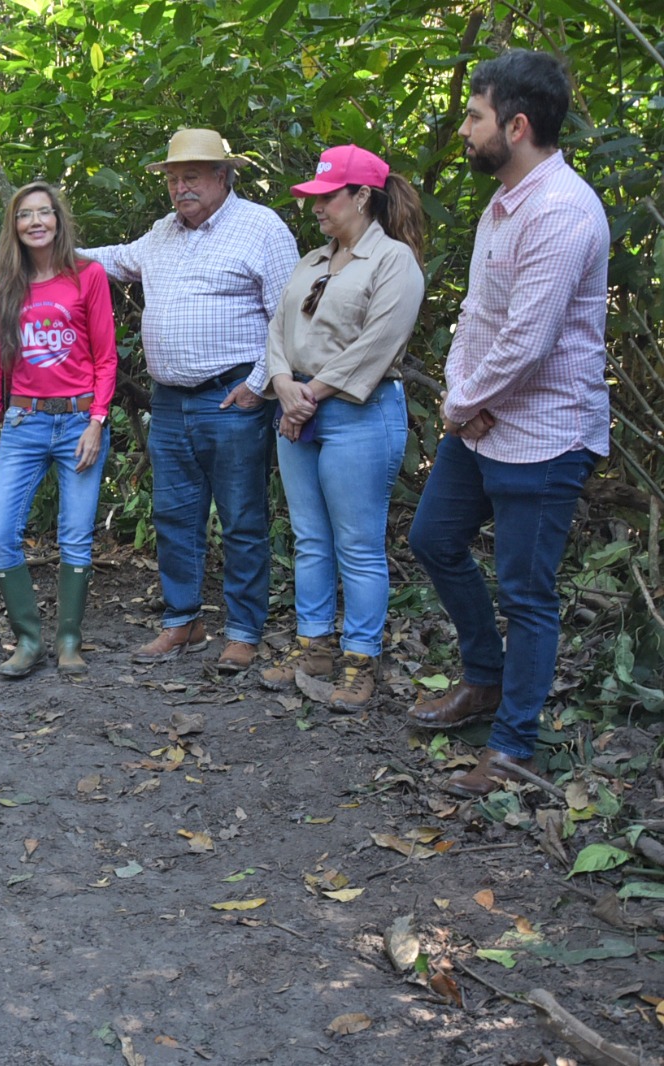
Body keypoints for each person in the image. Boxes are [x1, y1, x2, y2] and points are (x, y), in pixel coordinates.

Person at [403, 51, 609, 798]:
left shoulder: (561, 211)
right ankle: (484, 679)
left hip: (545, 434)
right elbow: (479, 316)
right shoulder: (506, 201)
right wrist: (463, 399)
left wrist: (460, 404)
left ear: (516, 126)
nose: (464, 129)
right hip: (481, 421)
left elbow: (528, 341)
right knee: (433, 538)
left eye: (475, 116)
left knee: (526, 593)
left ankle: (514, 746)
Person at [81, 130, 299, 674]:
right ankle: (183, 620)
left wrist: (259, 384)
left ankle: (243, 631)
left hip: (232, 398)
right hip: (170, 402)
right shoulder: (163, 232)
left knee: (242, 518)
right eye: (174, 179)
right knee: (173, 516)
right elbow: (115, 259)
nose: (181, 187)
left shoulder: (262, 228)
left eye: (192, 176)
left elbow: (290, 317)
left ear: (223, 176)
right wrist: (50, 249)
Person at [257, 145, 425, 712]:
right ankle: (314, 649)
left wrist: (309, 395)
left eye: (327, 197)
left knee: (358, 544)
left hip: (358, 412)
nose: (316, 207)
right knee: (309, 538)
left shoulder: (393, 260)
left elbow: (378, 343)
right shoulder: (312, 260)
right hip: (298, 408)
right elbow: (277, 329)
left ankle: (360, 659)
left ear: (362, 196)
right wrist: (284, 384)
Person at [0, 182, 118, 679]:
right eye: (25, 215)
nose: (35, 222)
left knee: (76, 534)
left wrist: (97, 421)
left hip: (79, 421)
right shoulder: (4, 285)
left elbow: (106, 358)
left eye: (44, 212)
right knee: (0, 530)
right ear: (14, 226)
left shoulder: (87, 275)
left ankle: (68, 640)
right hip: (23, 422)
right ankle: (28, 638)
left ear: (59, 220)